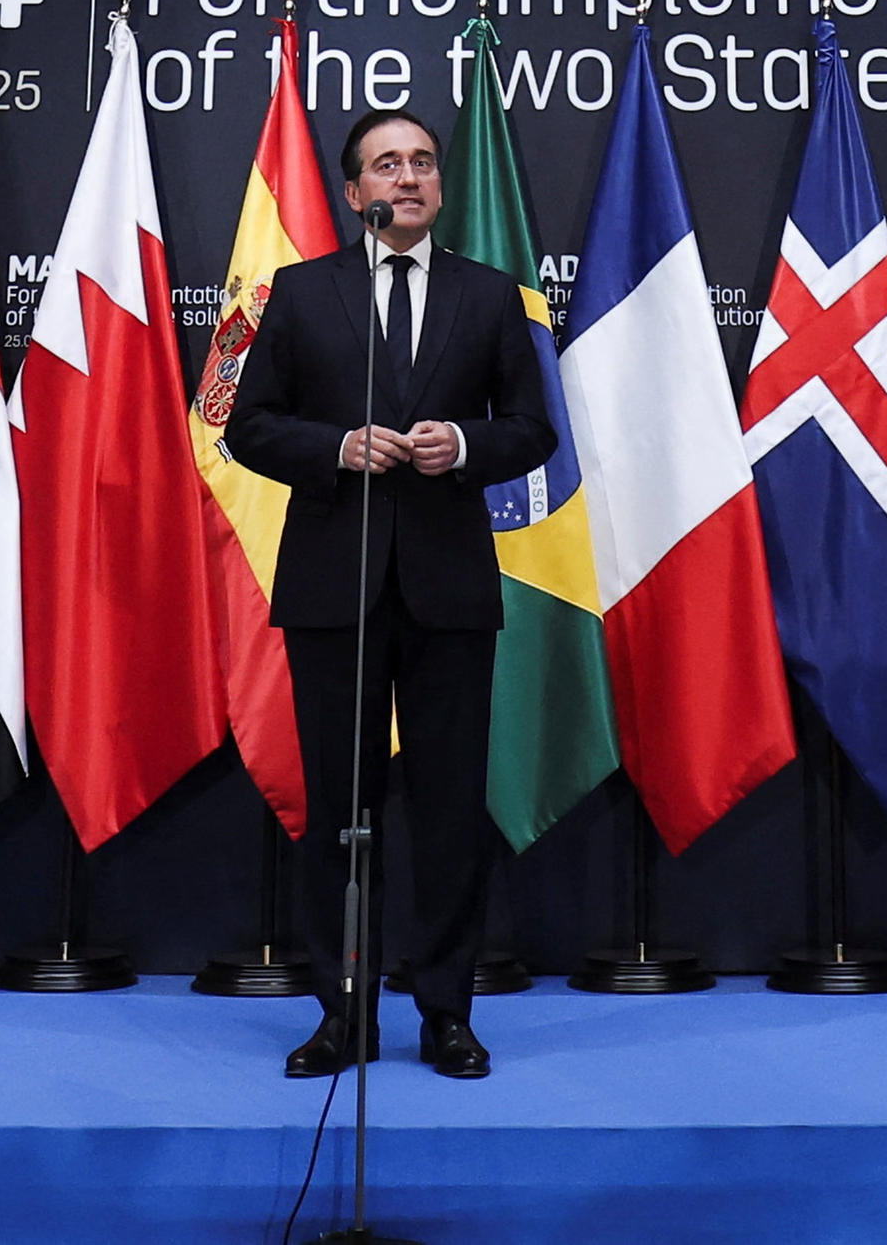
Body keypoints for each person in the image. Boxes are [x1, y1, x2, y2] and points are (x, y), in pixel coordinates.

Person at [220, 101, 557, 1080]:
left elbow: (532, 427)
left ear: (439, 187)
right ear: (353, 190)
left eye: (419, 163)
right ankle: (341, 1015)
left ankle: (446, 1012)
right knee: (339, 810)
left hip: (449, 586)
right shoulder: (297, 292)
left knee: (449, 812)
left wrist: (463, 444)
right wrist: (332, 447)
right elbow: (246, 425)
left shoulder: (489, 295)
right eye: (384, 165)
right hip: (333, 587)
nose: (405, 178)